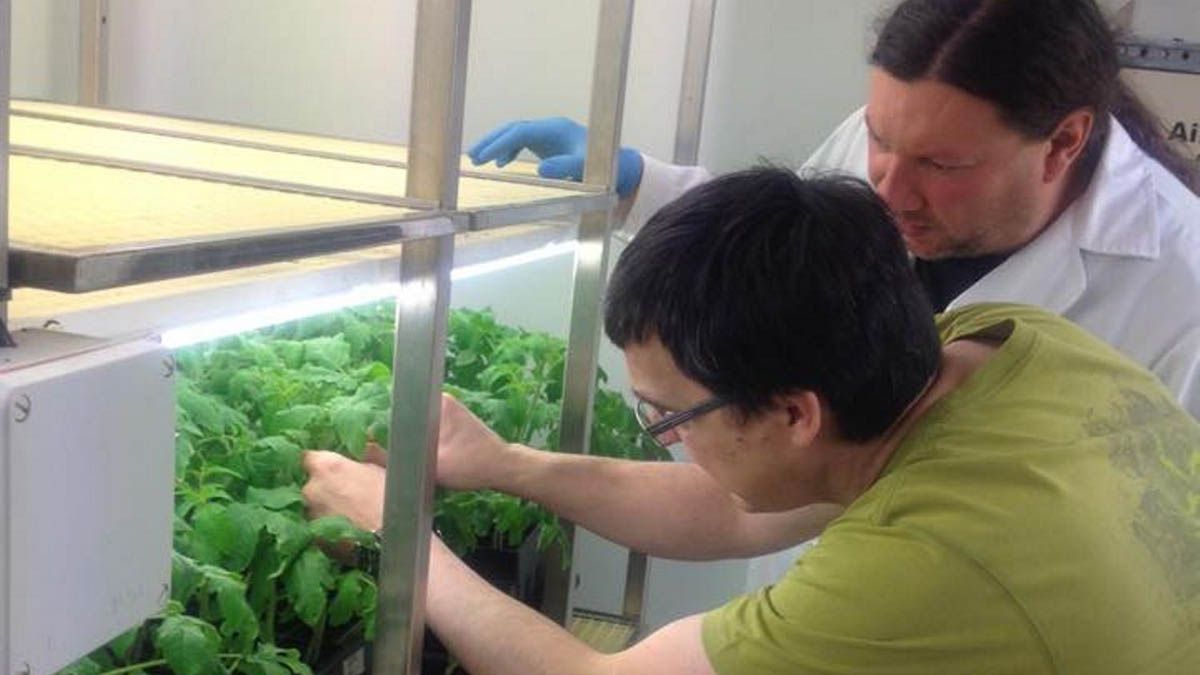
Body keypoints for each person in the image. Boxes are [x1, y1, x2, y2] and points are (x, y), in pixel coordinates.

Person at [303, 167, 1200, 674]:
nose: (668, 437)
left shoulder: (921, 566)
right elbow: (737, 506)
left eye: (669, 415)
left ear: (794, 414)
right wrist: (507, 465)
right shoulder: (1001, 348)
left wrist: (404, 542)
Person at [467, 0, 1200, 421]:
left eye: (942, 167)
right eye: (881, 140)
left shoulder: (1180, 292)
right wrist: (635, 184)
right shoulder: (889, 138)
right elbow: (790, 266)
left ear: (1062, 141)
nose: (887, 190)